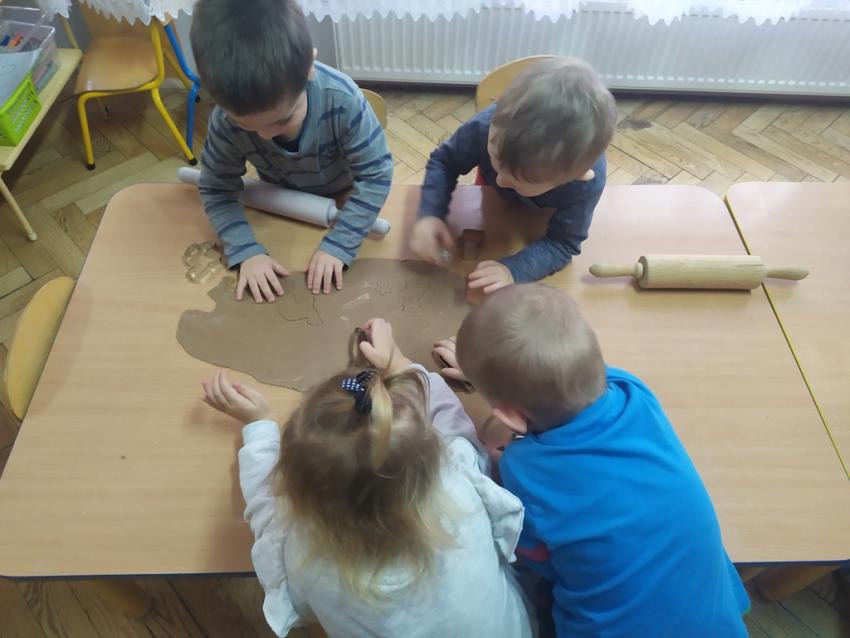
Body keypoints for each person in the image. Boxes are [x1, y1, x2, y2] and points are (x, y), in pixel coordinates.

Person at [433, 284, 750, 637]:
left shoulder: (525, 468)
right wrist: (499, 379)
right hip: (717, 618)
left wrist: (493, 382)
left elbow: (535, 557)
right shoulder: (632, 389)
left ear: (509, 417)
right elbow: (557, 372)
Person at [201, 319, 532, 638]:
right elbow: (457, 433)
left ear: (294, 483)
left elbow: (267, 515)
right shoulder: (462, 492)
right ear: (434, 455)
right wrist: (403, 366)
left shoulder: (304, 557)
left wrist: (258, 428)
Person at [191, 0, 393, 301]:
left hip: (345, 198)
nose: (266, 135)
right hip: (281, 205)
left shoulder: (343, 101)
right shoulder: (225, 119)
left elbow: (376, 176)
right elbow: (216, 188)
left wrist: (340, 243)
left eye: (282, 120)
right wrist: (245, 249)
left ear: (309, 67)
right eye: (247, 126)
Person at [410, 57, 618, 294]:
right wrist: (430, 213)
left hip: (539, 216)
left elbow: (563, 243)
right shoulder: (486, 127)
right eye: (495, 159)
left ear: (574, 177)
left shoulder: (585, 184)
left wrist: (514, 270)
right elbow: (444, 161)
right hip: (493, 205)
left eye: (520, 179)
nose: (499, 180)